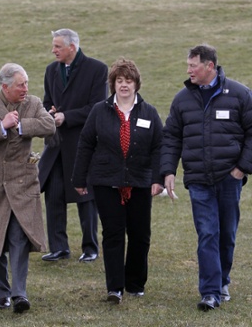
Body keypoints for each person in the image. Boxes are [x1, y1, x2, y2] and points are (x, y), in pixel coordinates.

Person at [161, 44, 252, 311]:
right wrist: (168, 170)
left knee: (227, 234)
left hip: (229, 179)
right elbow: (171, 137)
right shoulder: (181, 99)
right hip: (198, 179)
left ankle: (223, 280)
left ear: (209, 66)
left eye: (193, 65)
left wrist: (241, 169)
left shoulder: (239, 94)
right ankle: (210, 292)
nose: (188, 70)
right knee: (207, 233)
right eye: (188, 65)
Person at [72, 58, 164, 303]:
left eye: (129, 80)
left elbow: (159, 147)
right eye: (119, 80)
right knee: (113, 234)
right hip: (106, 181)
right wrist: (79, 178)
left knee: (140, 234)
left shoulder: (149, 112)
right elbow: (86, 144)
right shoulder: (99, 111)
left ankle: (135, 283)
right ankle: (114, 288)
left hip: (140, 182)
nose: (124, 85)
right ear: (112, 84)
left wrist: (158, 179)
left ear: (136, 84)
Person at [0, 63, 55, 313]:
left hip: (22, 183)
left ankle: (20, 294)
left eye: (26, 83)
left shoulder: (33, 103)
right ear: (5, 87)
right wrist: (1, 126)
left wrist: (21, 125)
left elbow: (49, 126)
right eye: (20, 84)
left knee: (19, 237)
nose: (25, 88)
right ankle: (1, 293)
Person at [38, 28, 108, 262]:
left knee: (86, 196)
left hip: (83, 144)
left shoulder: (97, 69)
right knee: (54, 194)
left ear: (72, 47)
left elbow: (97, 107)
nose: (53, 50)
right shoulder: (51, 70)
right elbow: (48, 101)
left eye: (57, 46)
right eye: (53, 45)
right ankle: (59, 247)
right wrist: (50, 112)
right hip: (56, 145)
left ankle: (90, 248)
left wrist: (67, 116)